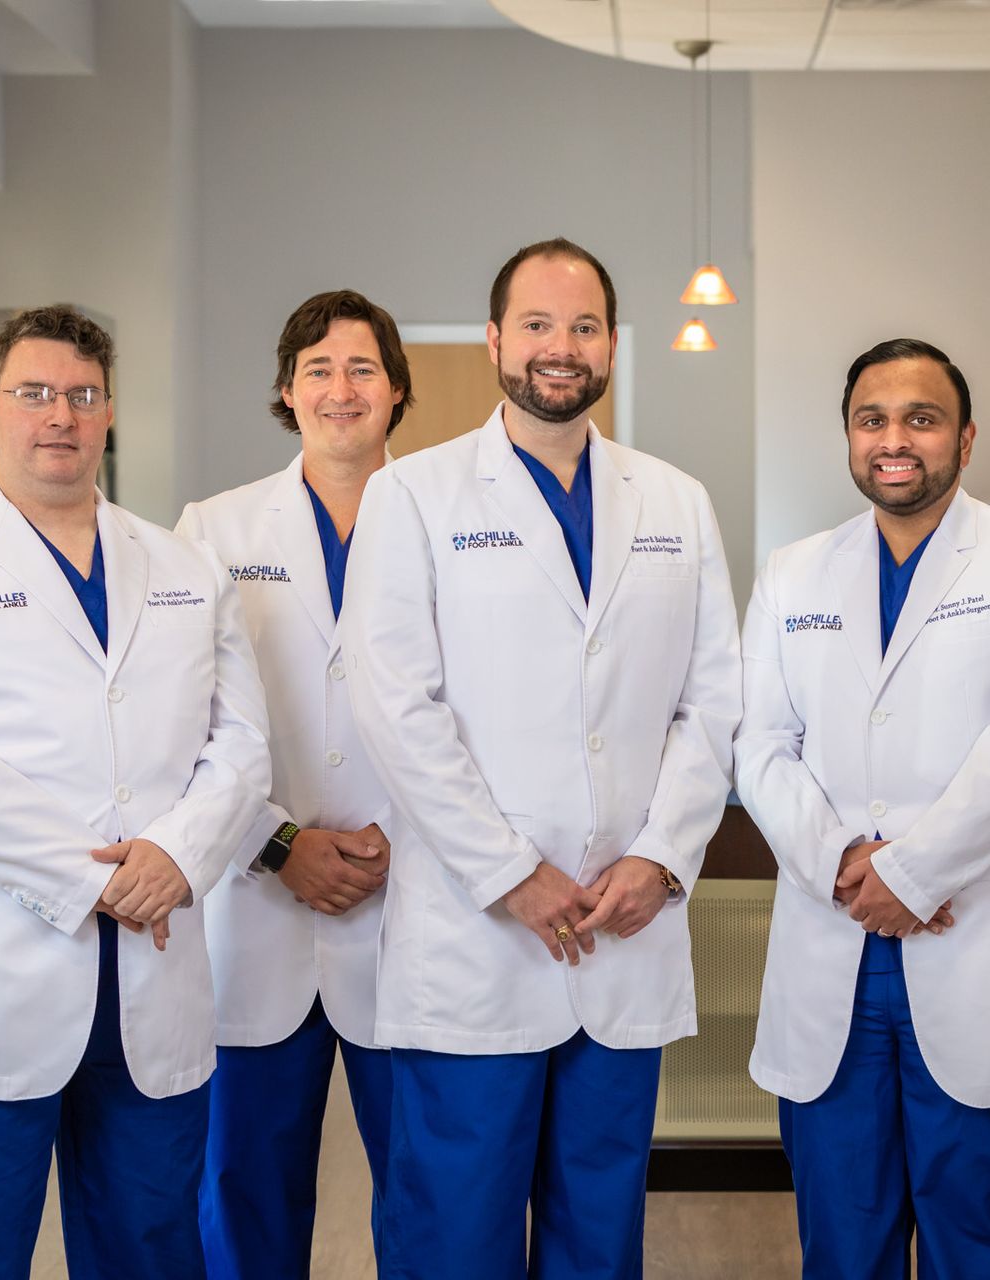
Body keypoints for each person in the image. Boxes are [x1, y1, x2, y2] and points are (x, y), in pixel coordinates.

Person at [340, 238, 742, 1279]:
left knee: (598, 1237)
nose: (561, 347)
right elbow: (395, 705)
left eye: (583, 326)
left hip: (622, 922)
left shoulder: (676, 501)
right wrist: (509, 870)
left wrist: (662, 857)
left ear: (610, 344)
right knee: (455, 1236)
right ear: (493, 340)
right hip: (477, 934)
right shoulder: (414, 494)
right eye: (536, 324)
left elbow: (714, 702)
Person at [0, 304, 271, 1279]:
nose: (61, 415)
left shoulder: (186, 568)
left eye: (83, 395)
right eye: (34, 392)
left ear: (109, 414)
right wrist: (97, 879)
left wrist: (177, 855)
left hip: (149, 978)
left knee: (152, 1248)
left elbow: (244, 743)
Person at [738, 337, 990, 1278]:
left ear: (966, 439)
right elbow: (761, 746)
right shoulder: (793, 572)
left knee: (983, 1242)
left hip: (975, 947)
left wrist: (910, 872)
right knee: (842, 1244)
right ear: (849, 438)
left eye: (922, 419)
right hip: (836, 959)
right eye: (873, 420)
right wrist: (844, 865)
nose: (894, 440)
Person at [176, 290, 411, 1277]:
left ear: (396, 389)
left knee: (434, 1193)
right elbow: (181, 724)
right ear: (286, 389)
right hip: (259, 907)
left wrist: (415, 836)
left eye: (361, 368)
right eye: (318, 369)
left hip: (412, 902)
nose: (339, 388)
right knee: (245, 1194)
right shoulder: (214, 529)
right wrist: (276, 843)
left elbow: (493, 711)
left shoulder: (454, 522)